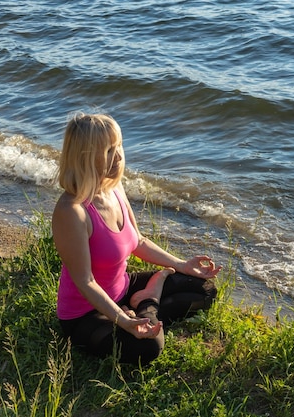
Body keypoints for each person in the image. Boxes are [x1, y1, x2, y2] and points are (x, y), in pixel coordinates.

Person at [52, 112, 221, 366]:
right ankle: (148, 302)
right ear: (84, 157)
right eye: (109, 150)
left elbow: (139, 241)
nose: (119, 156)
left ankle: (142, 303)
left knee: (204, 289)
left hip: (122, 288)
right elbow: (85, 282)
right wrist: (123, 319)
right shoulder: (72, 211)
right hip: (85, 314)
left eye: (119, 145)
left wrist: (183, 265)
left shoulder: (114, 189)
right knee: (148, 347)